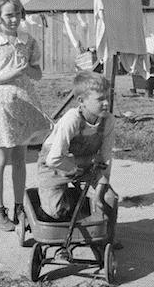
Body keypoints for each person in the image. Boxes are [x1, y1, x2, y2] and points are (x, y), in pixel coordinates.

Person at [0, 0, 51, 232]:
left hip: (24, 106)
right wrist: (10, 74)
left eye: (17, 14)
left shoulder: (28, 41)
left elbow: (38, 75)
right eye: (8, 15)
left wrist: (27, 68)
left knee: (20, 159)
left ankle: (20, 207)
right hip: (1, 109)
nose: (14, 19)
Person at [37, 71, 117, 232]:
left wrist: (100, 192)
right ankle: (68, 200)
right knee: (56, 212)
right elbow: (54, 159)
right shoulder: (72, 119)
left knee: (110, 199)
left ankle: (107, 237)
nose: (106, 103)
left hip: (85, 164)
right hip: (55, 167)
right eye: (100, 99)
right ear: (82, 101)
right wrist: (75, 170)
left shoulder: (108, 121)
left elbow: (104, 160)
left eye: (107, 97)